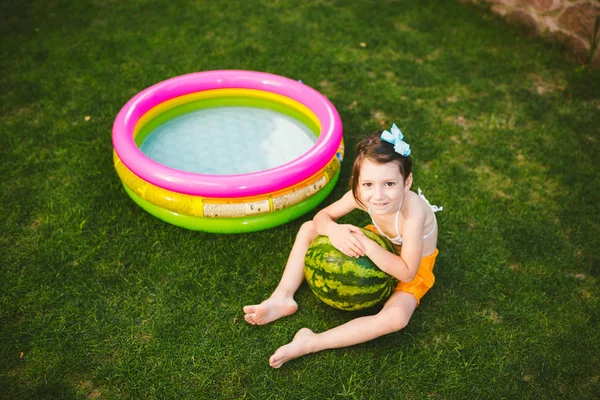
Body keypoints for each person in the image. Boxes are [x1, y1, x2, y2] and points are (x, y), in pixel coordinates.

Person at [243, 123, 442, 368]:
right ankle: (281, 297)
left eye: (389, 184)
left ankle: (312, 341)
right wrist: (333, 231)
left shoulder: (413, 214)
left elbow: (406, 271)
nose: (377, 195)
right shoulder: (360, 196)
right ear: (357, 183)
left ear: (407, 182)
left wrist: (367, 246)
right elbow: (321, 218)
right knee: (308, 229)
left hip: (412, 261)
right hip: (378, 244)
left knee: (397, 318)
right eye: (368, 184)